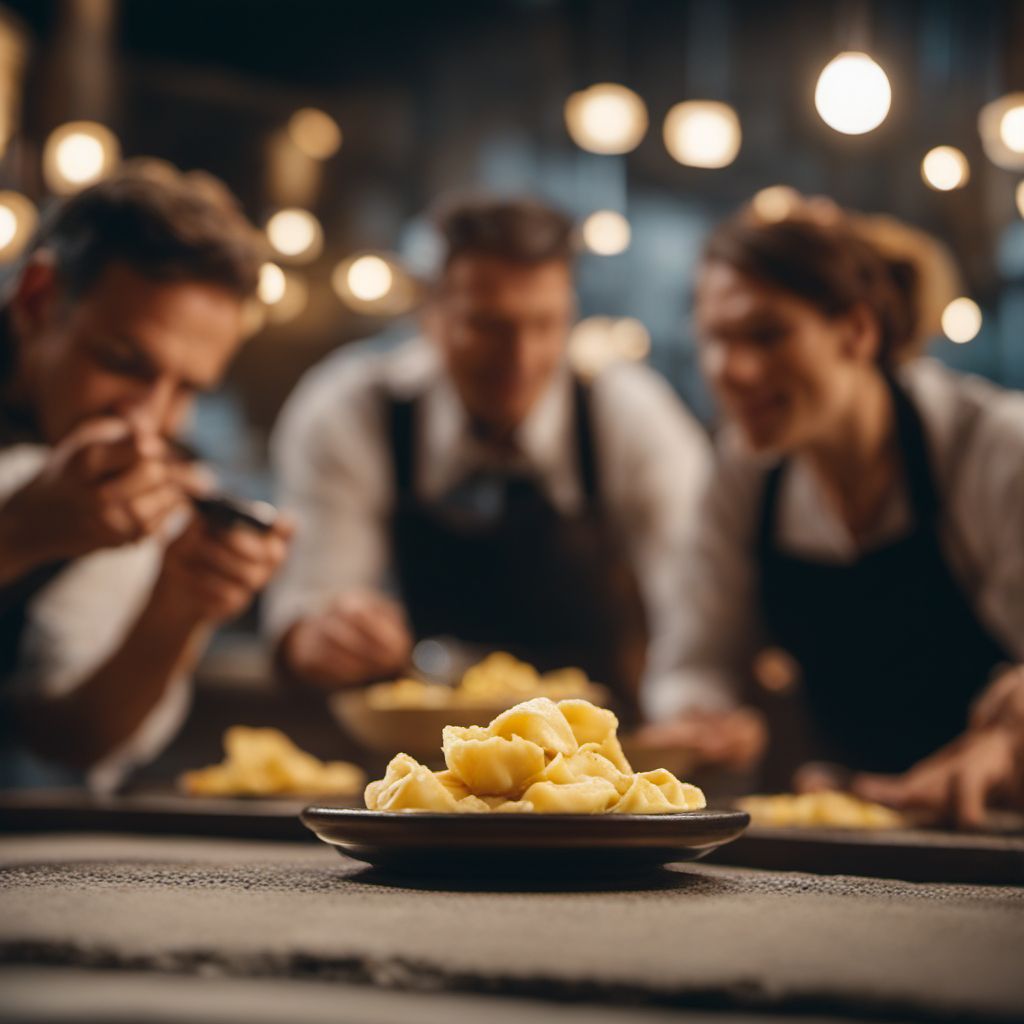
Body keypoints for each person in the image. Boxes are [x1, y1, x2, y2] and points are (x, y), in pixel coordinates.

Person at [642, 197, 1024, 825]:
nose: (731, 370)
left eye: (766, 334)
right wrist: (700, 718)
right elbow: (695, 655)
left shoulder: (988, 450)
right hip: (850, 827)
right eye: (715, 338)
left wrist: (1005, 745)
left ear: (857, 331)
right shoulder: (746, 471)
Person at [265, 196, 711, 726]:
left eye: (545, 325)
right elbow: (310, 601)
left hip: (596, 757)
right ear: (430, 315)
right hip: (418, 755)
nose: (520, 360)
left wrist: (691, 704)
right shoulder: (351, 410)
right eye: (488, 327)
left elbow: (692, 608)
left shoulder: (630, 413)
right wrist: (326, 637)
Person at [0, 163, 292, 790]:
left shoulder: (121, 477)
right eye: (123, 362)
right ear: (37, 300)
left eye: (187, 388)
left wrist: (177, 605)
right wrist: (19, 535)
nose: (147, 422)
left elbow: (66, 740)